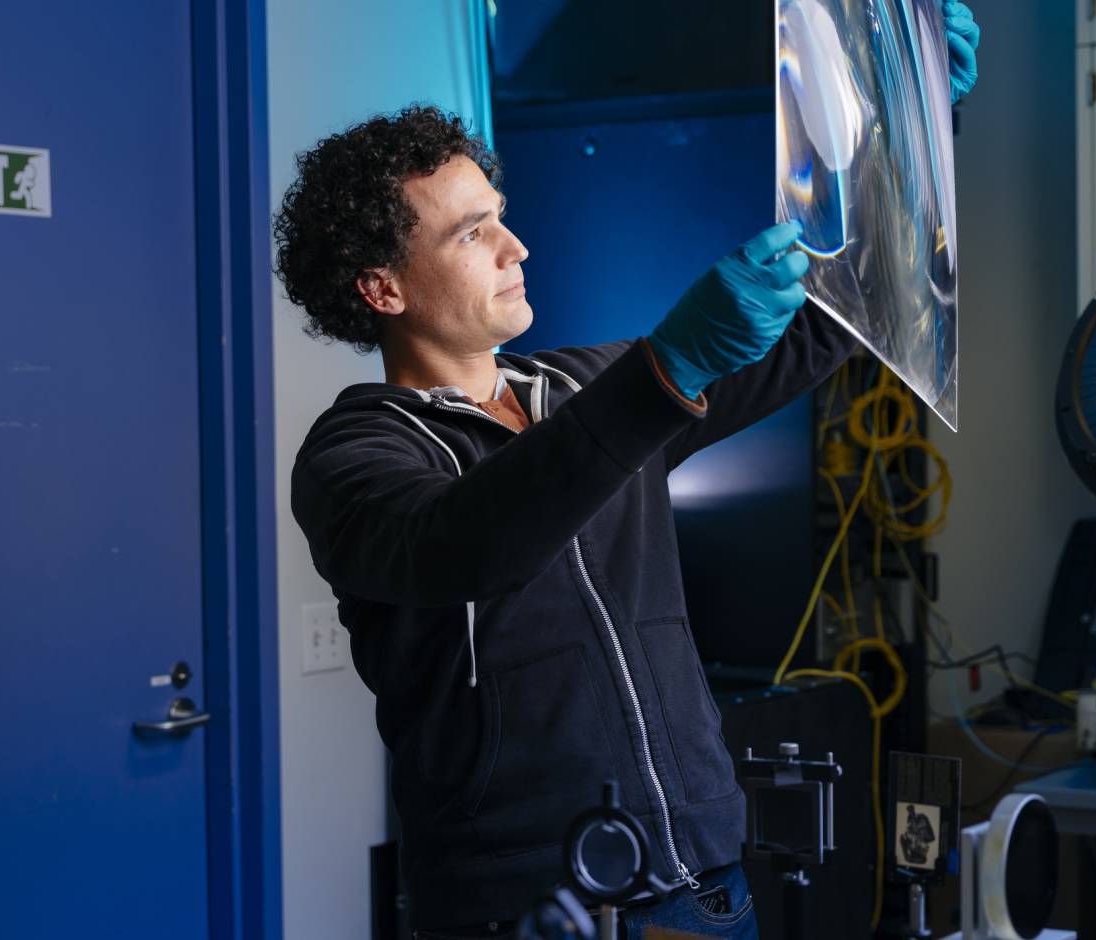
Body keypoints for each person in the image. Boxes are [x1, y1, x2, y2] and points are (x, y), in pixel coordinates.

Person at [277, 7, 979, 935]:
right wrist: (665, 372)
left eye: (504, 219)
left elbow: (835, 315)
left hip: (705, 884)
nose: (515, 247)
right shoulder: (356, 456)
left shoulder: (584, 389)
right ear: (382, 289)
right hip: (533, 907)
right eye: (471, 234)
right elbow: (464, 544)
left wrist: (909, 129)